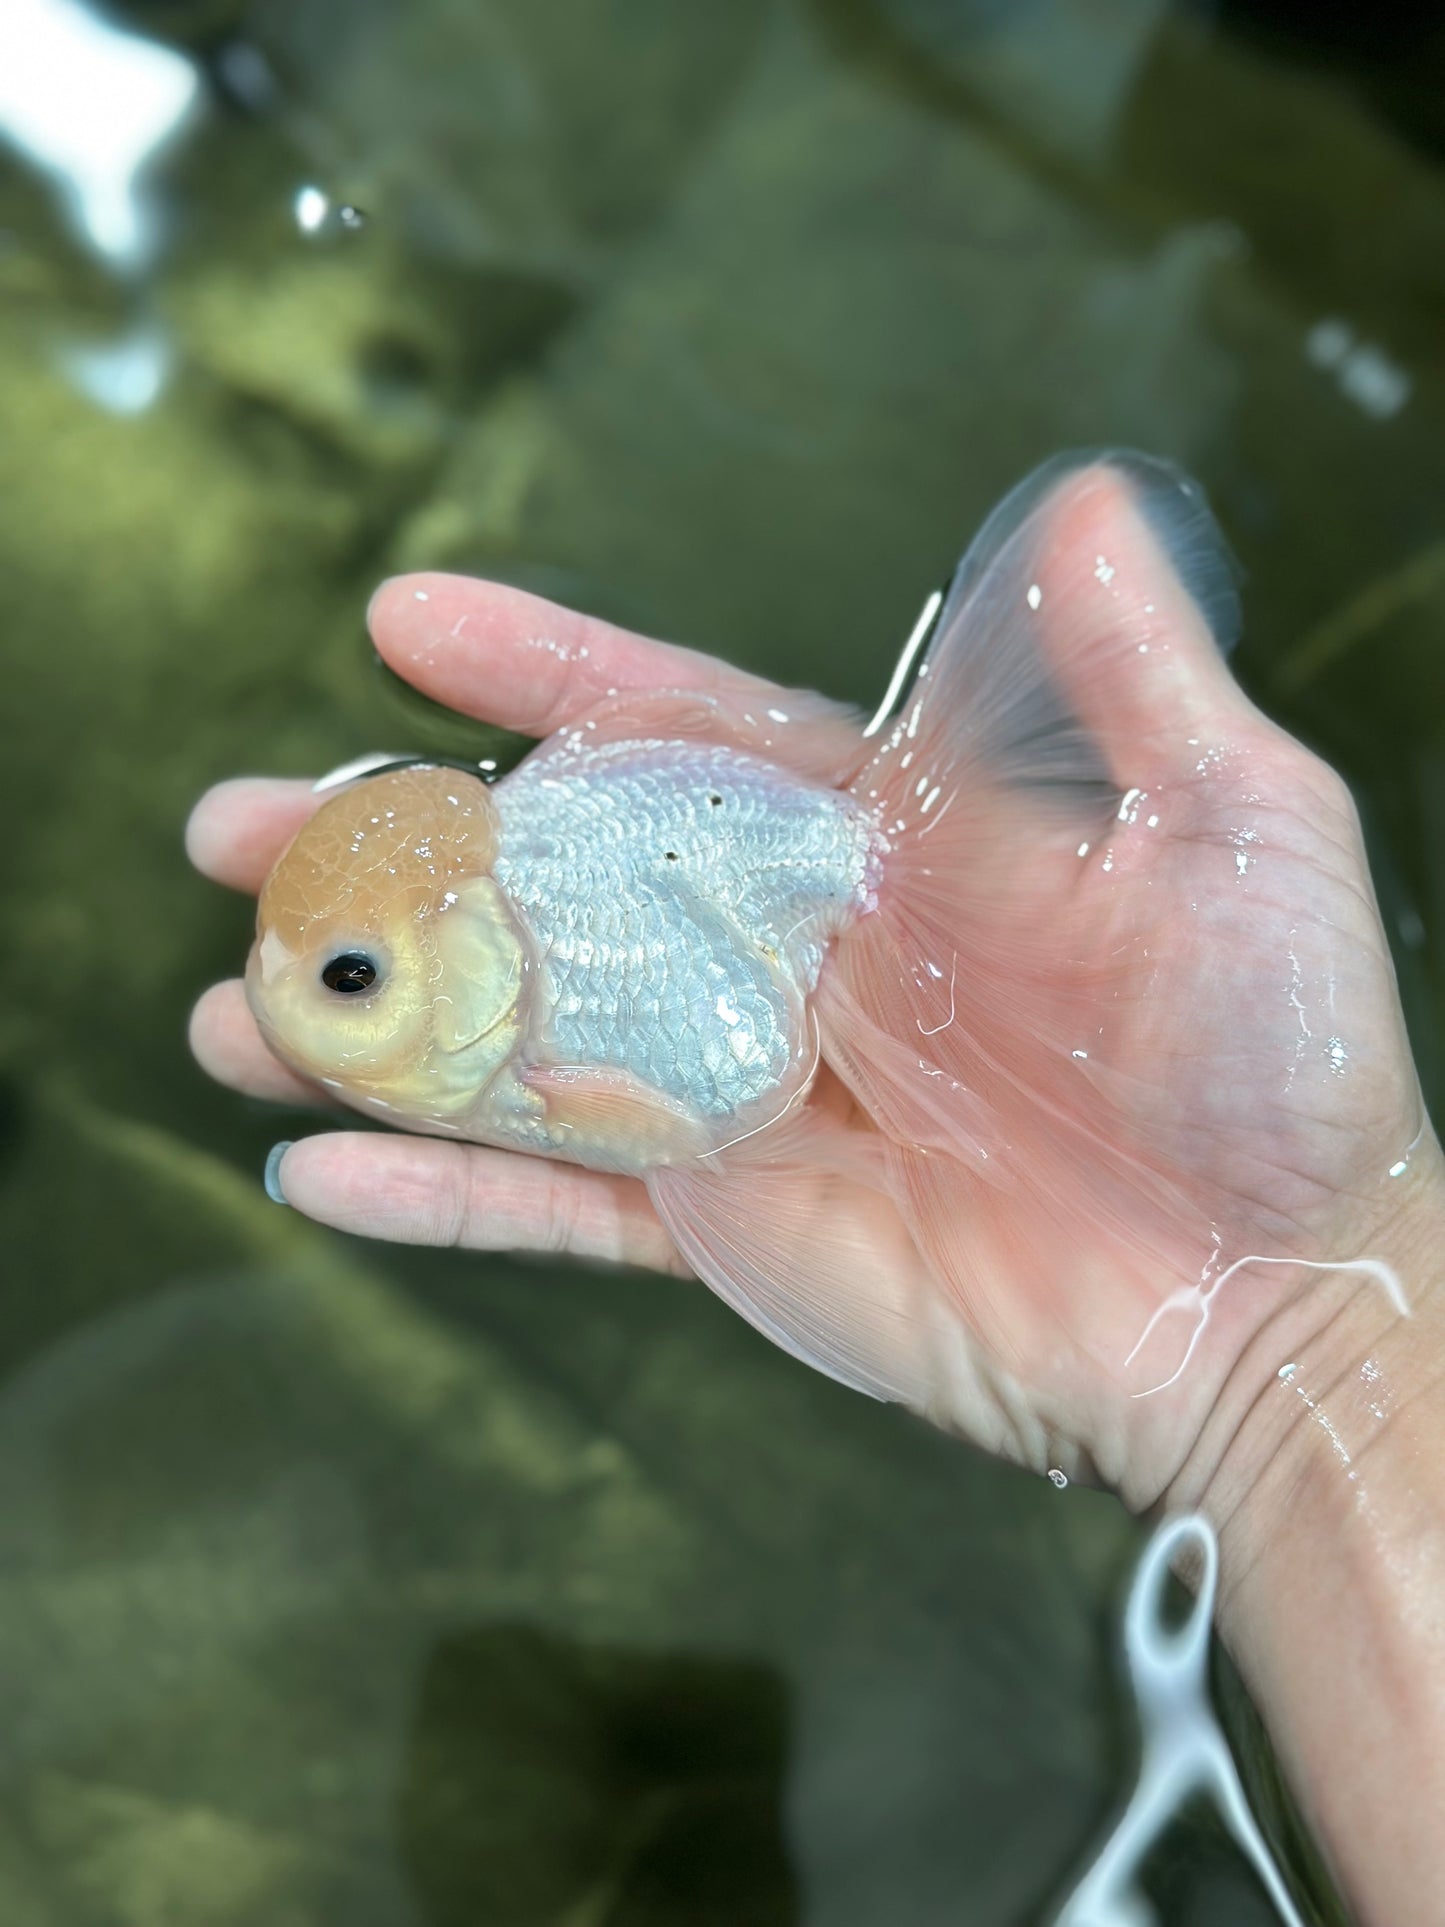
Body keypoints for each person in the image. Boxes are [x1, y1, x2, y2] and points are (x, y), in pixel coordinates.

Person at [188, 469, 1443, 1927]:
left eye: (349, 982)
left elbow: (672, 1123)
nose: (304, 1009)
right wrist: (1302, 1356)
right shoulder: (526, 894)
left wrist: (1290, 1348)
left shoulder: (584, 920)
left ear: (467, 954)